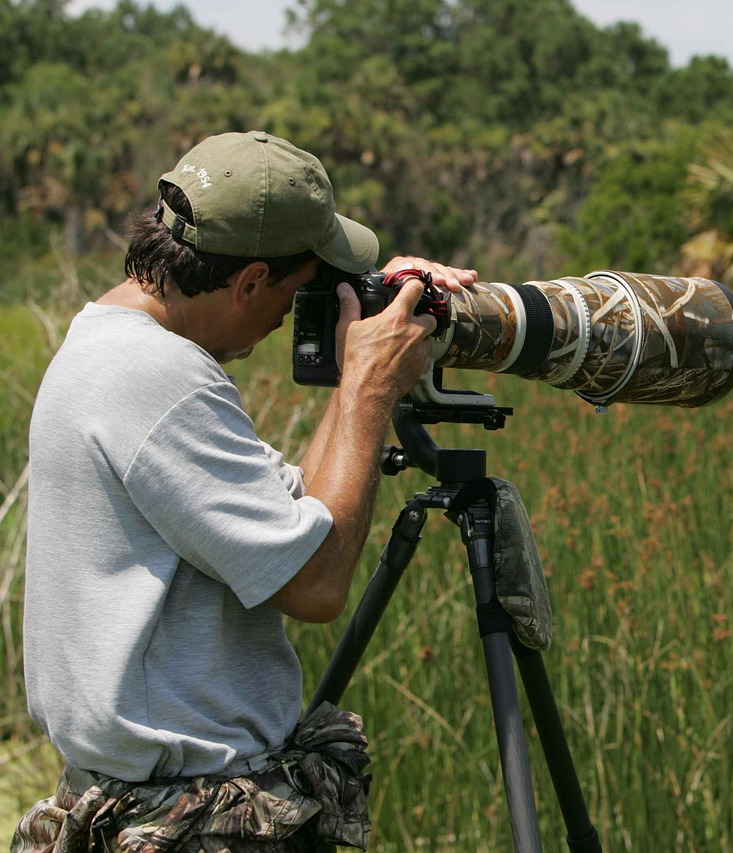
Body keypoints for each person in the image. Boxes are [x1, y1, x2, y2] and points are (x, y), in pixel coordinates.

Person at [11, 130, 476, 852]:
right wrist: (367, 387)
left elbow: (302, 516)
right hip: (191, 816)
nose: (292, 312)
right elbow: (317, 583)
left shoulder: (107, 344)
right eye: (295, 292)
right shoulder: (158, 378)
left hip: (137, 794)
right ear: (251, 280)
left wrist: (366, 331)